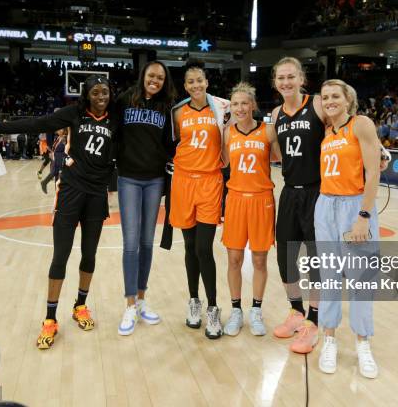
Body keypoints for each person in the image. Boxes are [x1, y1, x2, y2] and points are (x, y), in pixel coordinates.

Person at [0, 75, 115, 349]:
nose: (101, 96)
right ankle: (50, 318)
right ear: (87, 95)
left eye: (105, 91)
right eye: (96, 92)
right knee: (61, 256)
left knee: (89, 254)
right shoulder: (74, 114)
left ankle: (80, 306)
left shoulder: (116, 118)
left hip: (96, 196)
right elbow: (37, 123)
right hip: (71, 192)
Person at [315, 79, 382, 379]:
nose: (329, 101)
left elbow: (373, 174)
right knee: (329, 276)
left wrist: (364, 215)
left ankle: (363, 343)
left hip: (354, 205)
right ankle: (328, 339)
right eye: (325, 97)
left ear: (347, 99)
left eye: (335, 96)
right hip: (325, 205)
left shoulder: (361, 124)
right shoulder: (327, 132)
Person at [114, 60, 177, 336]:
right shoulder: (125, 99)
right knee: (130, 243)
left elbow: (171, 143)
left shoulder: (167, 106)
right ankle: (128, 305)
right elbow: (112, 131)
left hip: (154, 180)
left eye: (160, 78)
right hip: (128, 177)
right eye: (152, 76)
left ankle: (141, 300)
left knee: (146, 242)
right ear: (143, 76)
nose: (155, 81)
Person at [170, 59, 230, 339]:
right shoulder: (177, 112)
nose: (195, 85)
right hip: (183, 182)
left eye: (200, 80)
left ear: (207, 82)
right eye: (190, 81)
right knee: (190, 245)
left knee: (204, 248)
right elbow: (171, 145)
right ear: (185, 86)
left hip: (210, 182)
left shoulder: (222, 107)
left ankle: (214, 308)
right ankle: (194, 301)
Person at [270, 57, 325, 354]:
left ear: (301, 78)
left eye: (291, 76)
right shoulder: (276, 113)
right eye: (281, 78)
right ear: (275, 82)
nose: (286, 82)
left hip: (318, 192)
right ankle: (296, 312)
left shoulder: (316, 104)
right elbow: (276, 152)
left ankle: (314, 322)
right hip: (290, 192)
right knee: (285, 257)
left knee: (314, 259)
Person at [220, 82, 281, 337]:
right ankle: (236, 311)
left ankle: (256, 310)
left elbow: (280, 158)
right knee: (234, 259)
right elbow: (222, 162)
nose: (240, 108)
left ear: (253, 105)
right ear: (230, 107)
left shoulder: (268, 131)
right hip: (235, 199)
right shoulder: (226, 132)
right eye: (235, 104)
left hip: (261, 200)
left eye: (244, 103)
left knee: (259, 259)